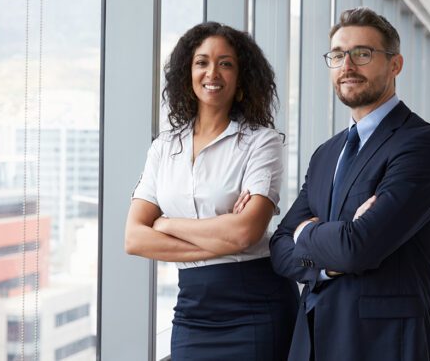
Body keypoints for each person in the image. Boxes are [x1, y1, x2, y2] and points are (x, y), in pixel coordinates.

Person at [269, 7, 430, 361]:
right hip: (312, 339)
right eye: (338, 55)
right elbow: (279, 247)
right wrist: (332, 253)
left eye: (362, 54)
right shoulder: (327, 153)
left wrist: (305, 235)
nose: (347, 66)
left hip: (385, 343)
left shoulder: (422, 144)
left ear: (395, 64)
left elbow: (359, 247)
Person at [124, 21, 299, 361]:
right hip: (192, 311)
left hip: (256, 308)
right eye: (202, 62)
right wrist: (222, 237)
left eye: (226, 63)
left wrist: (166, 224)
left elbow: (246, 232)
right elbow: (133, 239)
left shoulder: (261, 142)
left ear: (241, 76)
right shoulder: (164, 147)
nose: (212, 72)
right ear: (187, 73)